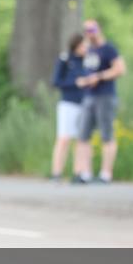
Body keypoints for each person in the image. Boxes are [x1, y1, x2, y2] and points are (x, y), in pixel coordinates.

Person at [73, 19, 126, 184]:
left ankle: (105, 174)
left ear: (99, 30)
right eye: (86, 30)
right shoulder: (88, 50)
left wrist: (100, 77)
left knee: (106, 134)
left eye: (92, 29)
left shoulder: (108, 49)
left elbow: (120, 69)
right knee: (83, 134)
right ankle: (85, 173)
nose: (89, 33)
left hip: (105, 96)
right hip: (89, 96)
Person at [49, 33, 87, 180]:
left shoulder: (87, 61)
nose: (86, 48)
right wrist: (75, 83)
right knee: (64, 138)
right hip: (68, 103)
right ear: (76, 45)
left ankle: (78, 172)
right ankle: (57, 172)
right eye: (83, 45)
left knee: (79, 139)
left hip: (83, 104)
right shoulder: (65, 60)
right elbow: (56, 82)